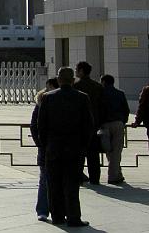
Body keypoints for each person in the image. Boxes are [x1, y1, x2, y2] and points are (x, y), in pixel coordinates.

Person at [37, 66, 92, 228]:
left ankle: (58, 216)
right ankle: (74, 217)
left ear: (59, 80)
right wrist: (83, 146)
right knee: (72, 184)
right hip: (74, 148)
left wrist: (46, 145)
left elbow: (42, 126)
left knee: (54, 184)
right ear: (73, 80)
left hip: (53, 148)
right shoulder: (82, 98)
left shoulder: (47, 98)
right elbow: (88, 125)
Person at [30, 77, 59, 222]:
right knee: (44, 180)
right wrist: (40, 143)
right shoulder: (40, 103)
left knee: (58, 181)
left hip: (59, 148)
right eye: (47, 88)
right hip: (46, 148)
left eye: (50, 88)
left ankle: (58, 211)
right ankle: (42, 210)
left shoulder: (62, 103)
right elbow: (34, 126)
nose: (47, 91)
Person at [73, 60, 104, 185]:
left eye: (76, 69)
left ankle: (78, 177)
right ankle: (95, 178)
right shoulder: (98, 86)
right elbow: (102, 106)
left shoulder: (76, 87)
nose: (75, 71)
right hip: (94, 124)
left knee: (79, 154)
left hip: (79, 126)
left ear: (81, 71)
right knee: (93, 154)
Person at [98, 74, 130, 184]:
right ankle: (114, 175)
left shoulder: (100, 94)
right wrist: (123, 121)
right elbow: (126, 110)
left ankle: (116, 174)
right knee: (116, 150)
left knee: (108, 149)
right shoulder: (120, 93)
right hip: (118, 123)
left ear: (103, 82)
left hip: (104, 124)